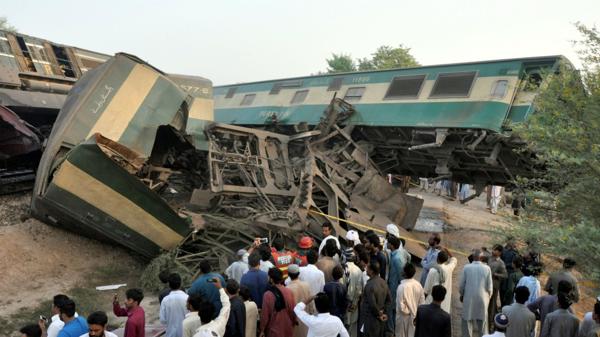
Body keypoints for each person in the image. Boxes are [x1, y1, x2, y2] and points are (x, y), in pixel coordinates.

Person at [460, 249, 493, 337]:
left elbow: (461, 285)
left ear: (473, 257)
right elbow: (490, 287)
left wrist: (462, 294)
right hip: (483, 299)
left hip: (468, 298)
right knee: (482, 323)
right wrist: (488, 299)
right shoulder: (487, 268)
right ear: (482, 258)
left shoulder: (466, 267)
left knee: (467, 321)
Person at [259, 267, 297, 337]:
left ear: (271, 279)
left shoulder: (267, 295)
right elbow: (293, 311)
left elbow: (265, 315)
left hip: (274, 330)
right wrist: (294, 322)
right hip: (287, 328)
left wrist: (262, 329)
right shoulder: (289, 291)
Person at [360, 261, 392, 337]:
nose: (366, 269)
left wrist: (379, 314)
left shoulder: (369, 285)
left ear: (371, 271)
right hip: (380, 320)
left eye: (367, 268)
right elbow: (389, 300)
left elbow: (372, 304)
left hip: (370, 320)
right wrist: (384, 312)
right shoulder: (384, 282)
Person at [395, 263, 425, 337]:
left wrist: (410, 312)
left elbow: (401, 307)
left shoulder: (401, 287)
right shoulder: (418, 285)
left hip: (403, 318)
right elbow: (422, 303)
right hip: (415, 318)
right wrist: (414, 313)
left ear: (404, 273)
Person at [424, 249, 457, 313]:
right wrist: (447, 250)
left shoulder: (433, 271)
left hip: (432, 301)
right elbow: (454, 260)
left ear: (437, 258)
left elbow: (426, 289)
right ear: (446, 260)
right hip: (444, 303)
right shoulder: (449, 269)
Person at [285, 264, 314, 337]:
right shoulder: (306, 285)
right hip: (306, 319)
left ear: (288, 274)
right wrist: (311, 313)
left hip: (295, 321)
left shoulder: (287, 288)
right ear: (298, 273)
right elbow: (311, 301)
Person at [387, 236, 407, 333]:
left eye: (388, 242)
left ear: (391, 245)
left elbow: (402, 276)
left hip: (395, 288)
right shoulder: (394, 255)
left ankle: (392, 330)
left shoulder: (397, 258)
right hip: (392, 286)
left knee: (391, 309)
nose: (386, 243)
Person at [160, 273, 189, 337]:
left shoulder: (165, 300)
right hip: (185, 334)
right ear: (181, 283)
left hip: (170, 334)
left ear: (169, 285)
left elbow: (162, 320)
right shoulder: (187, 298)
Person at [344, 246, 364, 337]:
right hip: (353, 305)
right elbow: (359, 290)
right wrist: (355, 303)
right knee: (351, 328)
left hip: (344, 303)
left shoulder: (342, 268)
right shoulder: (359, 270)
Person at [488, 244, 508, 333]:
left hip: (494, 286)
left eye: (495, 250)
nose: (493, 251)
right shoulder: (489, 258)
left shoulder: (501, 263)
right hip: (486, 285)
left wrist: (496, 274)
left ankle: (490, 325)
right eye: (493, 249)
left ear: (499, 252)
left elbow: (505, 275)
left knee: (492, 306)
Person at [499, 240, 520, 307]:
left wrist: (504, 265)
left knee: (507, 289)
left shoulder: (513, 252)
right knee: (505, 289)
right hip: (507, 273)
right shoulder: (506, 251)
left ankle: (505, 305)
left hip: (508, 273)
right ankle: (504, 305)